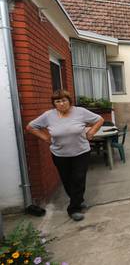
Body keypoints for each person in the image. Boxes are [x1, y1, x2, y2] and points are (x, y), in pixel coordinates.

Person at [27, 90, 104, 221]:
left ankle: (73, 209)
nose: (61, 104)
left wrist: (91, 132)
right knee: (67, 181)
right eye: (58, 101)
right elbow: (30, 127)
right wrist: (45, 138)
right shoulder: (48, 115)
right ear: (54, 104)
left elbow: (99, 119)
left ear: (69, 101)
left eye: (64, 100)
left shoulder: (80, 112)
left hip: (81, 152)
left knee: (79, 178)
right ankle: (78, 200)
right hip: (60, 154)